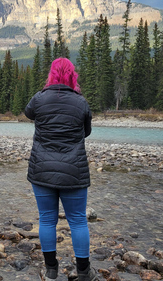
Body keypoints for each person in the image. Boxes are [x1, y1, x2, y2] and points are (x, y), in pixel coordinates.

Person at [24, 58, 98, 281]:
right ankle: (84, 272)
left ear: (52, 74)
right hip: (73, 169)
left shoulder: (39, 98)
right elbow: (86, 132)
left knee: (47, 219)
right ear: (72, 75)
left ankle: (51, 270)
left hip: (42, 169)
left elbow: (29, 114)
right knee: (77, 220)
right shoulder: (81, 102)